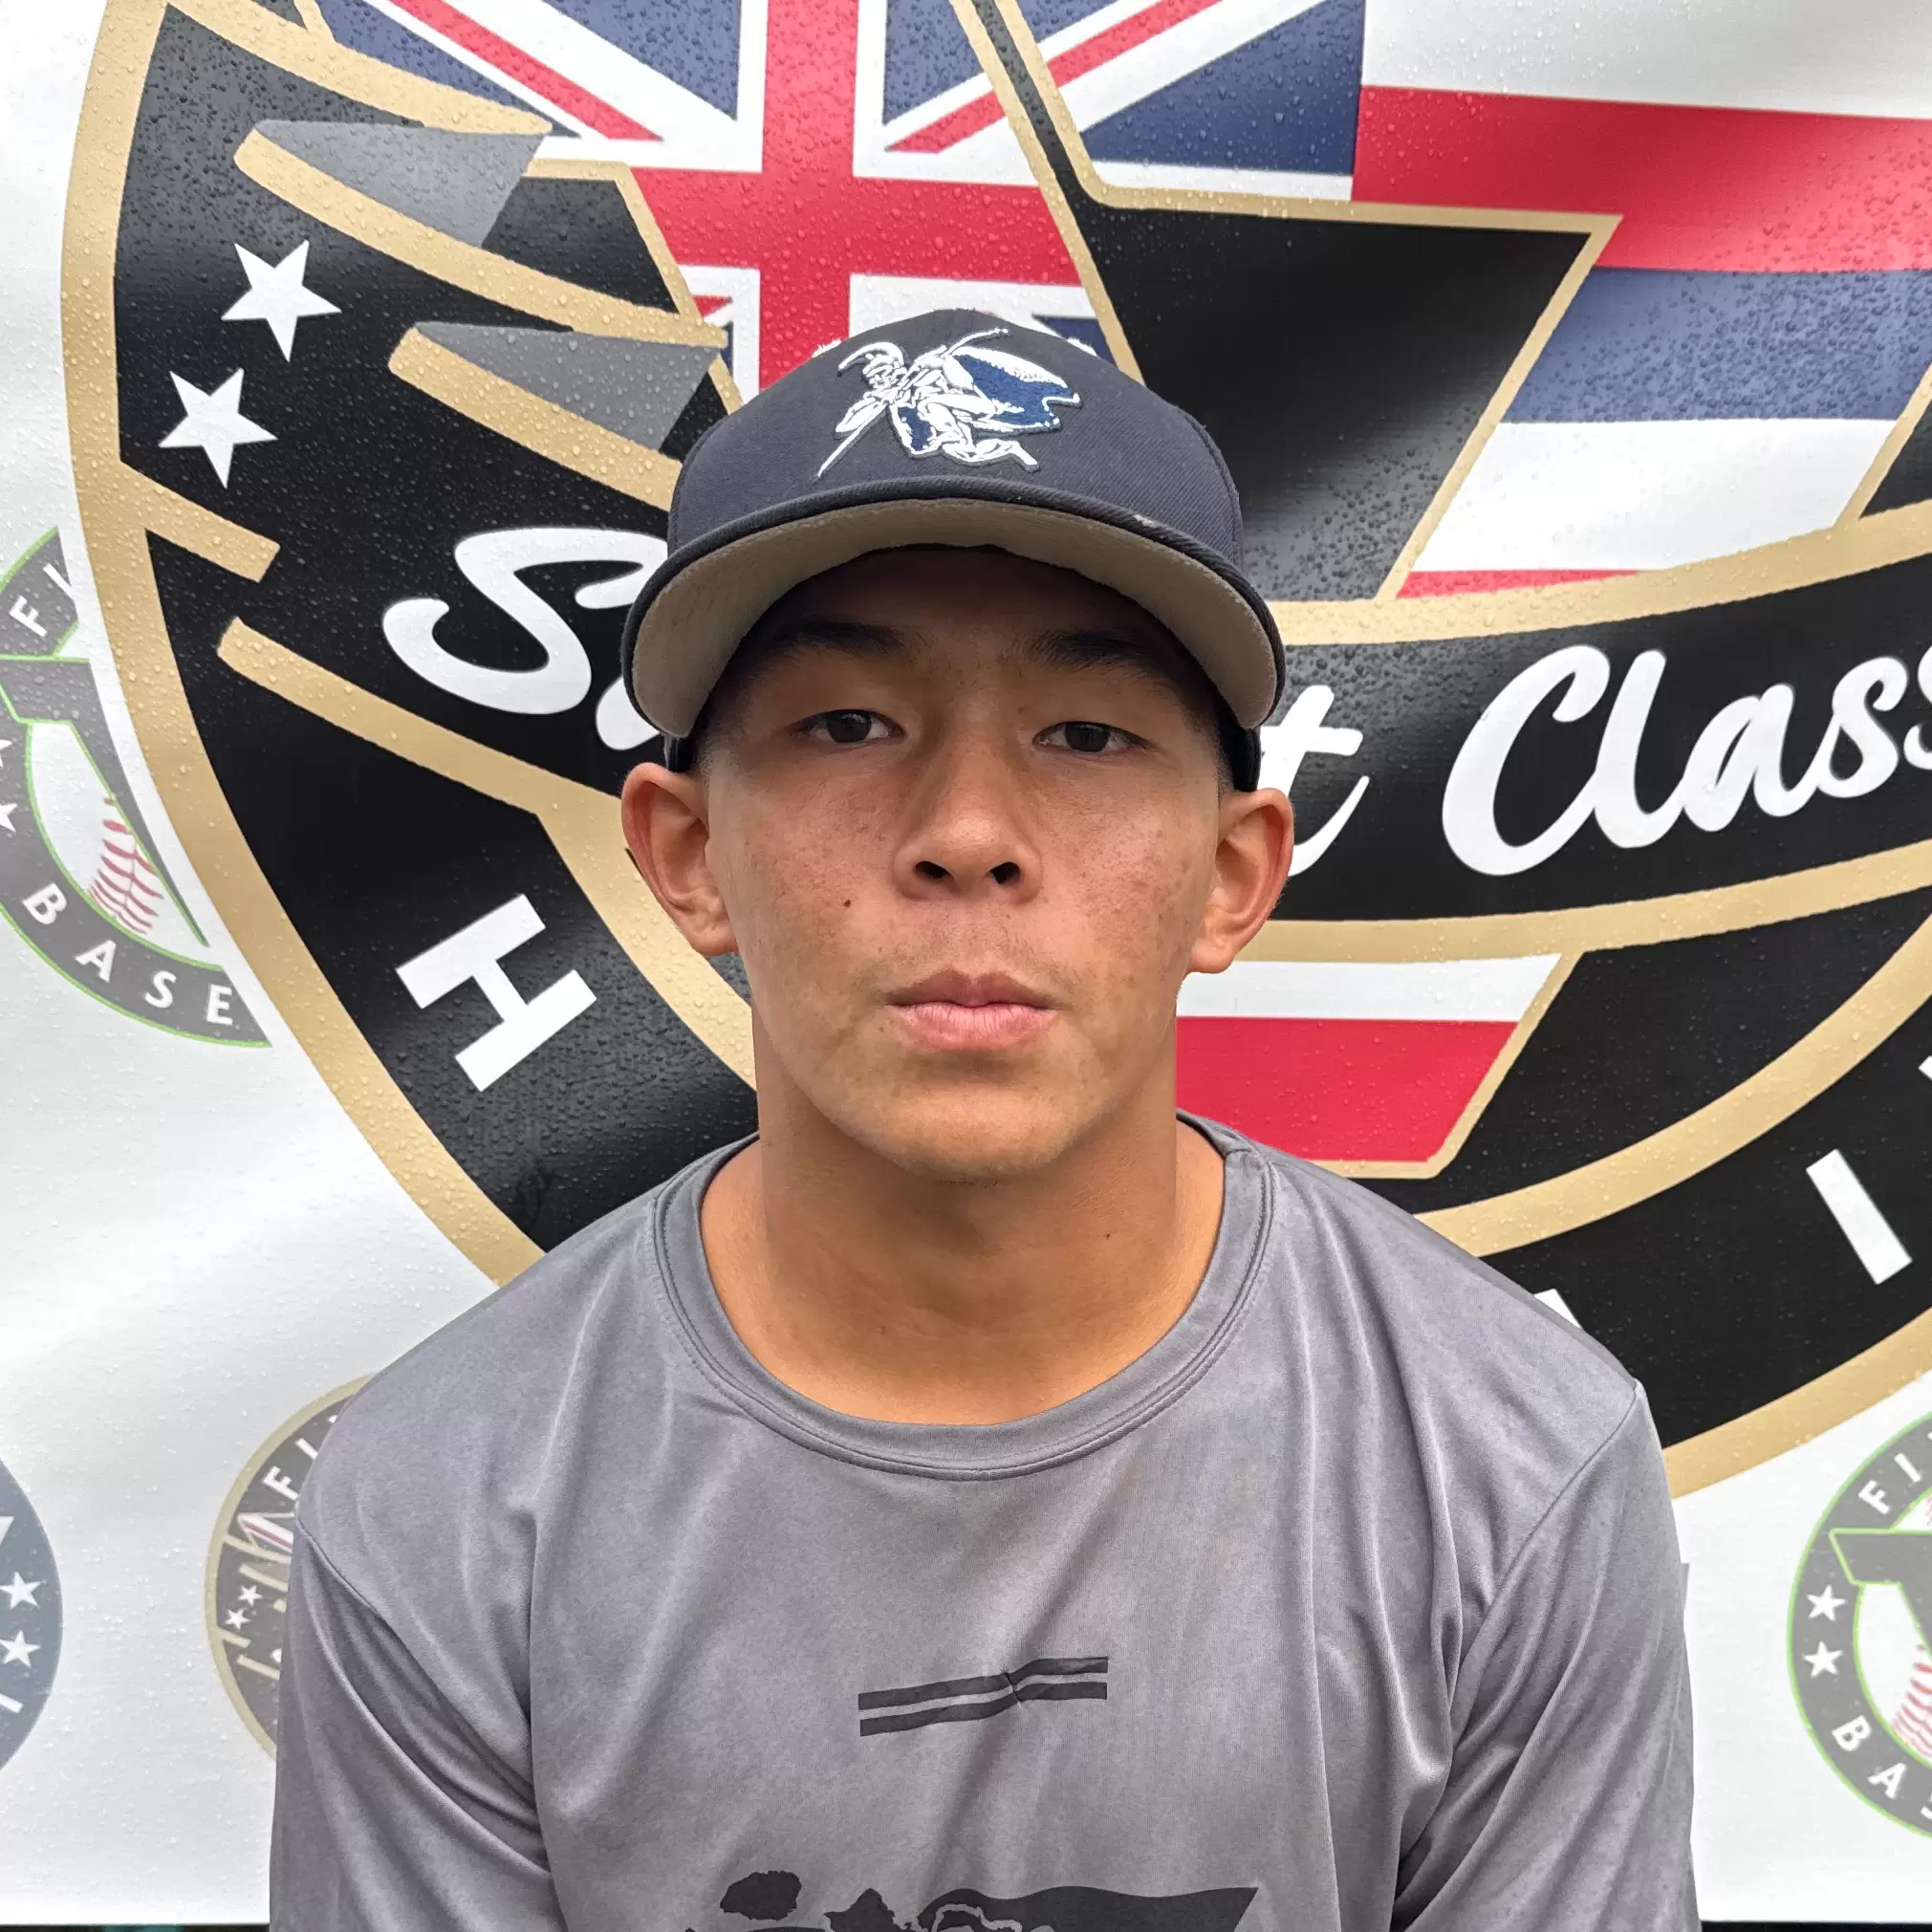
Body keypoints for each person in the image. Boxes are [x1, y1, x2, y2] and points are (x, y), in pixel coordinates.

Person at [271, 310, 1695, 1931]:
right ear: (686, 855)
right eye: (847, 725)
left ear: (1232, 875)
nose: (966, 830)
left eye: (1086, 735)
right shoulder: (450, 1501)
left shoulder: (1513, 1464)